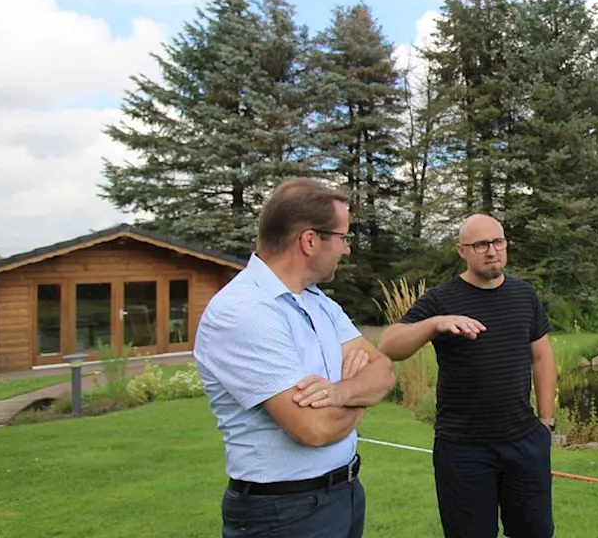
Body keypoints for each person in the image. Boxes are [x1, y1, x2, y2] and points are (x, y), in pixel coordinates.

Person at [194, 177, 398, 538]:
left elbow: (383, 371)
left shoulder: (319, 302)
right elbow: (314, 429)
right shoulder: (244, 311)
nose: (347, 250)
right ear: (309, 240)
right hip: (282, 513)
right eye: (343, 238)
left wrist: (339, 393)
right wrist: (363, 391)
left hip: (344, 493)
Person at [377, 213, 557, 538]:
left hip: (525, 442)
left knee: (535, 531)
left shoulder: (524, 296)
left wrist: (545, 421)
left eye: (498, 242)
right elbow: (390, 344)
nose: (492, 251)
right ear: (462, 251)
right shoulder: (441, 300)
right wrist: (434, 324)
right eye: (480, 245)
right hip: (463, 449)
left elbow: (542, 357)